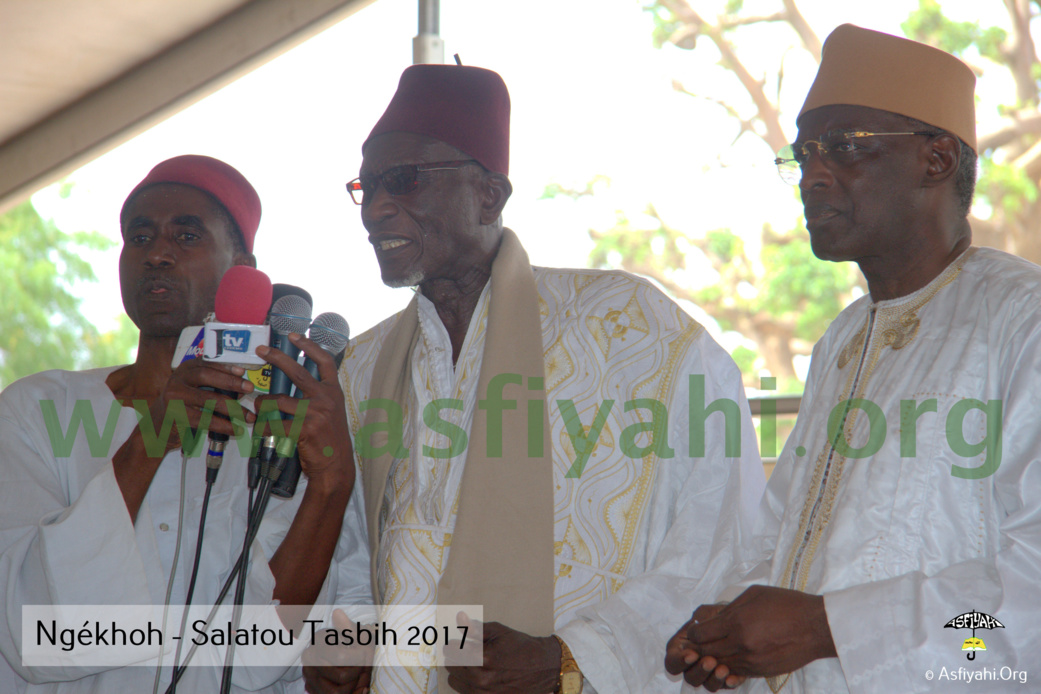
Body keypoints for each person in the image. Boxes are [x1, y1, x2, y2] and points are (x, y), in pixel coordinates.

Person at [304, 65, 765, 694]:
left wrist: (569, 659)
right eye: (369, 186)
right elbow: (355, 550)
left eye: (404, 181)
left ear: (489, 196)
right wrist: (345, 640)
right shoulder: (361, 364)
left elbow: (720, 537)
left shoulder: (635, 332)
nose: (377, 210)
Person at [665, 24, 1041, 693]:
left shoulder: (1021, 322)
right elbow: (780, 531)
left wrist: (829, 628)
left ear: (935, 160)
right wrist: (724, 630)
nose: (811, 176)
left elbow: (1031, 599)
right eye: (803, 154)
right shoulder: (841, 341)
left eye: (844, 147)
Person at [0, 155, 370, 692]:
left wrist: (331, 486)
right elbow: (30, 625)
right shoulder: (37, 409)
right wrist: (150, 442)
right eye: (140, 236)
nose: (158, 254)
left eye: (187, 235)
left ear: (243, 268)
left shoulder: (288, 423)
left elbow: (325, 623)